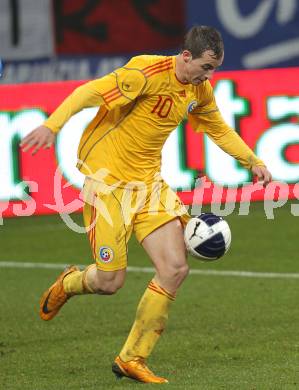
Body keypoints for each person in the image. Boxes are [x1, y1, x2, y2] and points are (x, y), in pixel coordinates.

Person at [21, 25, 272, 384]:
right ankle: (71, 282)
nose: (209, 76)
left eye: (213, 69)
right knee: (109, 282)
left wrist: (252, 161)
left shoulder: (199, 89)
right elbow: (87, 93)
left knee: (174, 268)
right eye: (205, 67)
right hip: (107, 186)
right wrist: (52, 125)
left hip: (150, 186)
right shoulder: (144, 73)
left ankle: (131, 358)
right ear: (186, 56)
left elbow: (218, 128)